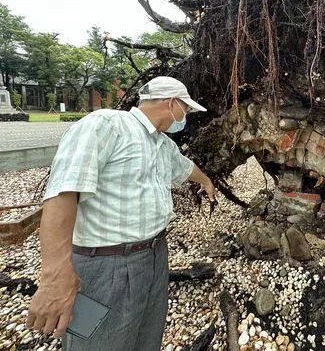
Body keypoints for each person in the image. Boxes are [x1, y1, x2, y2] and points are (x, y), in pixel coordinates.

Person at [26, 76, 216, 351]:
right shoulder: (105, 125)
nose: (184, 118)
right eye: (185, 110)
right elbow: (63, 194)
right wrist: (55, 276)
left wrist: (206, 181)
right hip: (106, 265)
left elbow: (186, 168)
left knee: (147, 338)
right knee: (99, 343)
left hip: (154, 257)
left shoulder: (163, 146)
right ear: (173, 103)